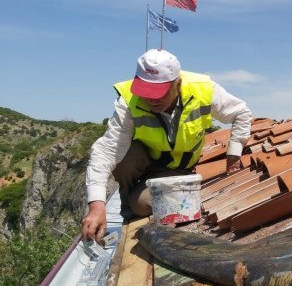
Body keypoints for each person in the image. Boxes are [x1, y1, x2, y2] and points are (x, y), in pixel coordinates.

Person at [81, 49, 252, 241]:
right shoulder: (129, 100)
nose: (151, 99)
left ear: (177, 84)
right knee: (124, 159)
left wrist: (233, 156)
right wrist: (97, 207)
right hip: (147, 162)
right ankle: (129, 210)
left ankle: (138, 203)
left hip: (179, 170)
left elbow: (241, 113)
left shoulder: (203, 90)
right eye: (146, 92)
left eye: (158, 93)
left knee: (141, 204)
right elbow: (106, 151)